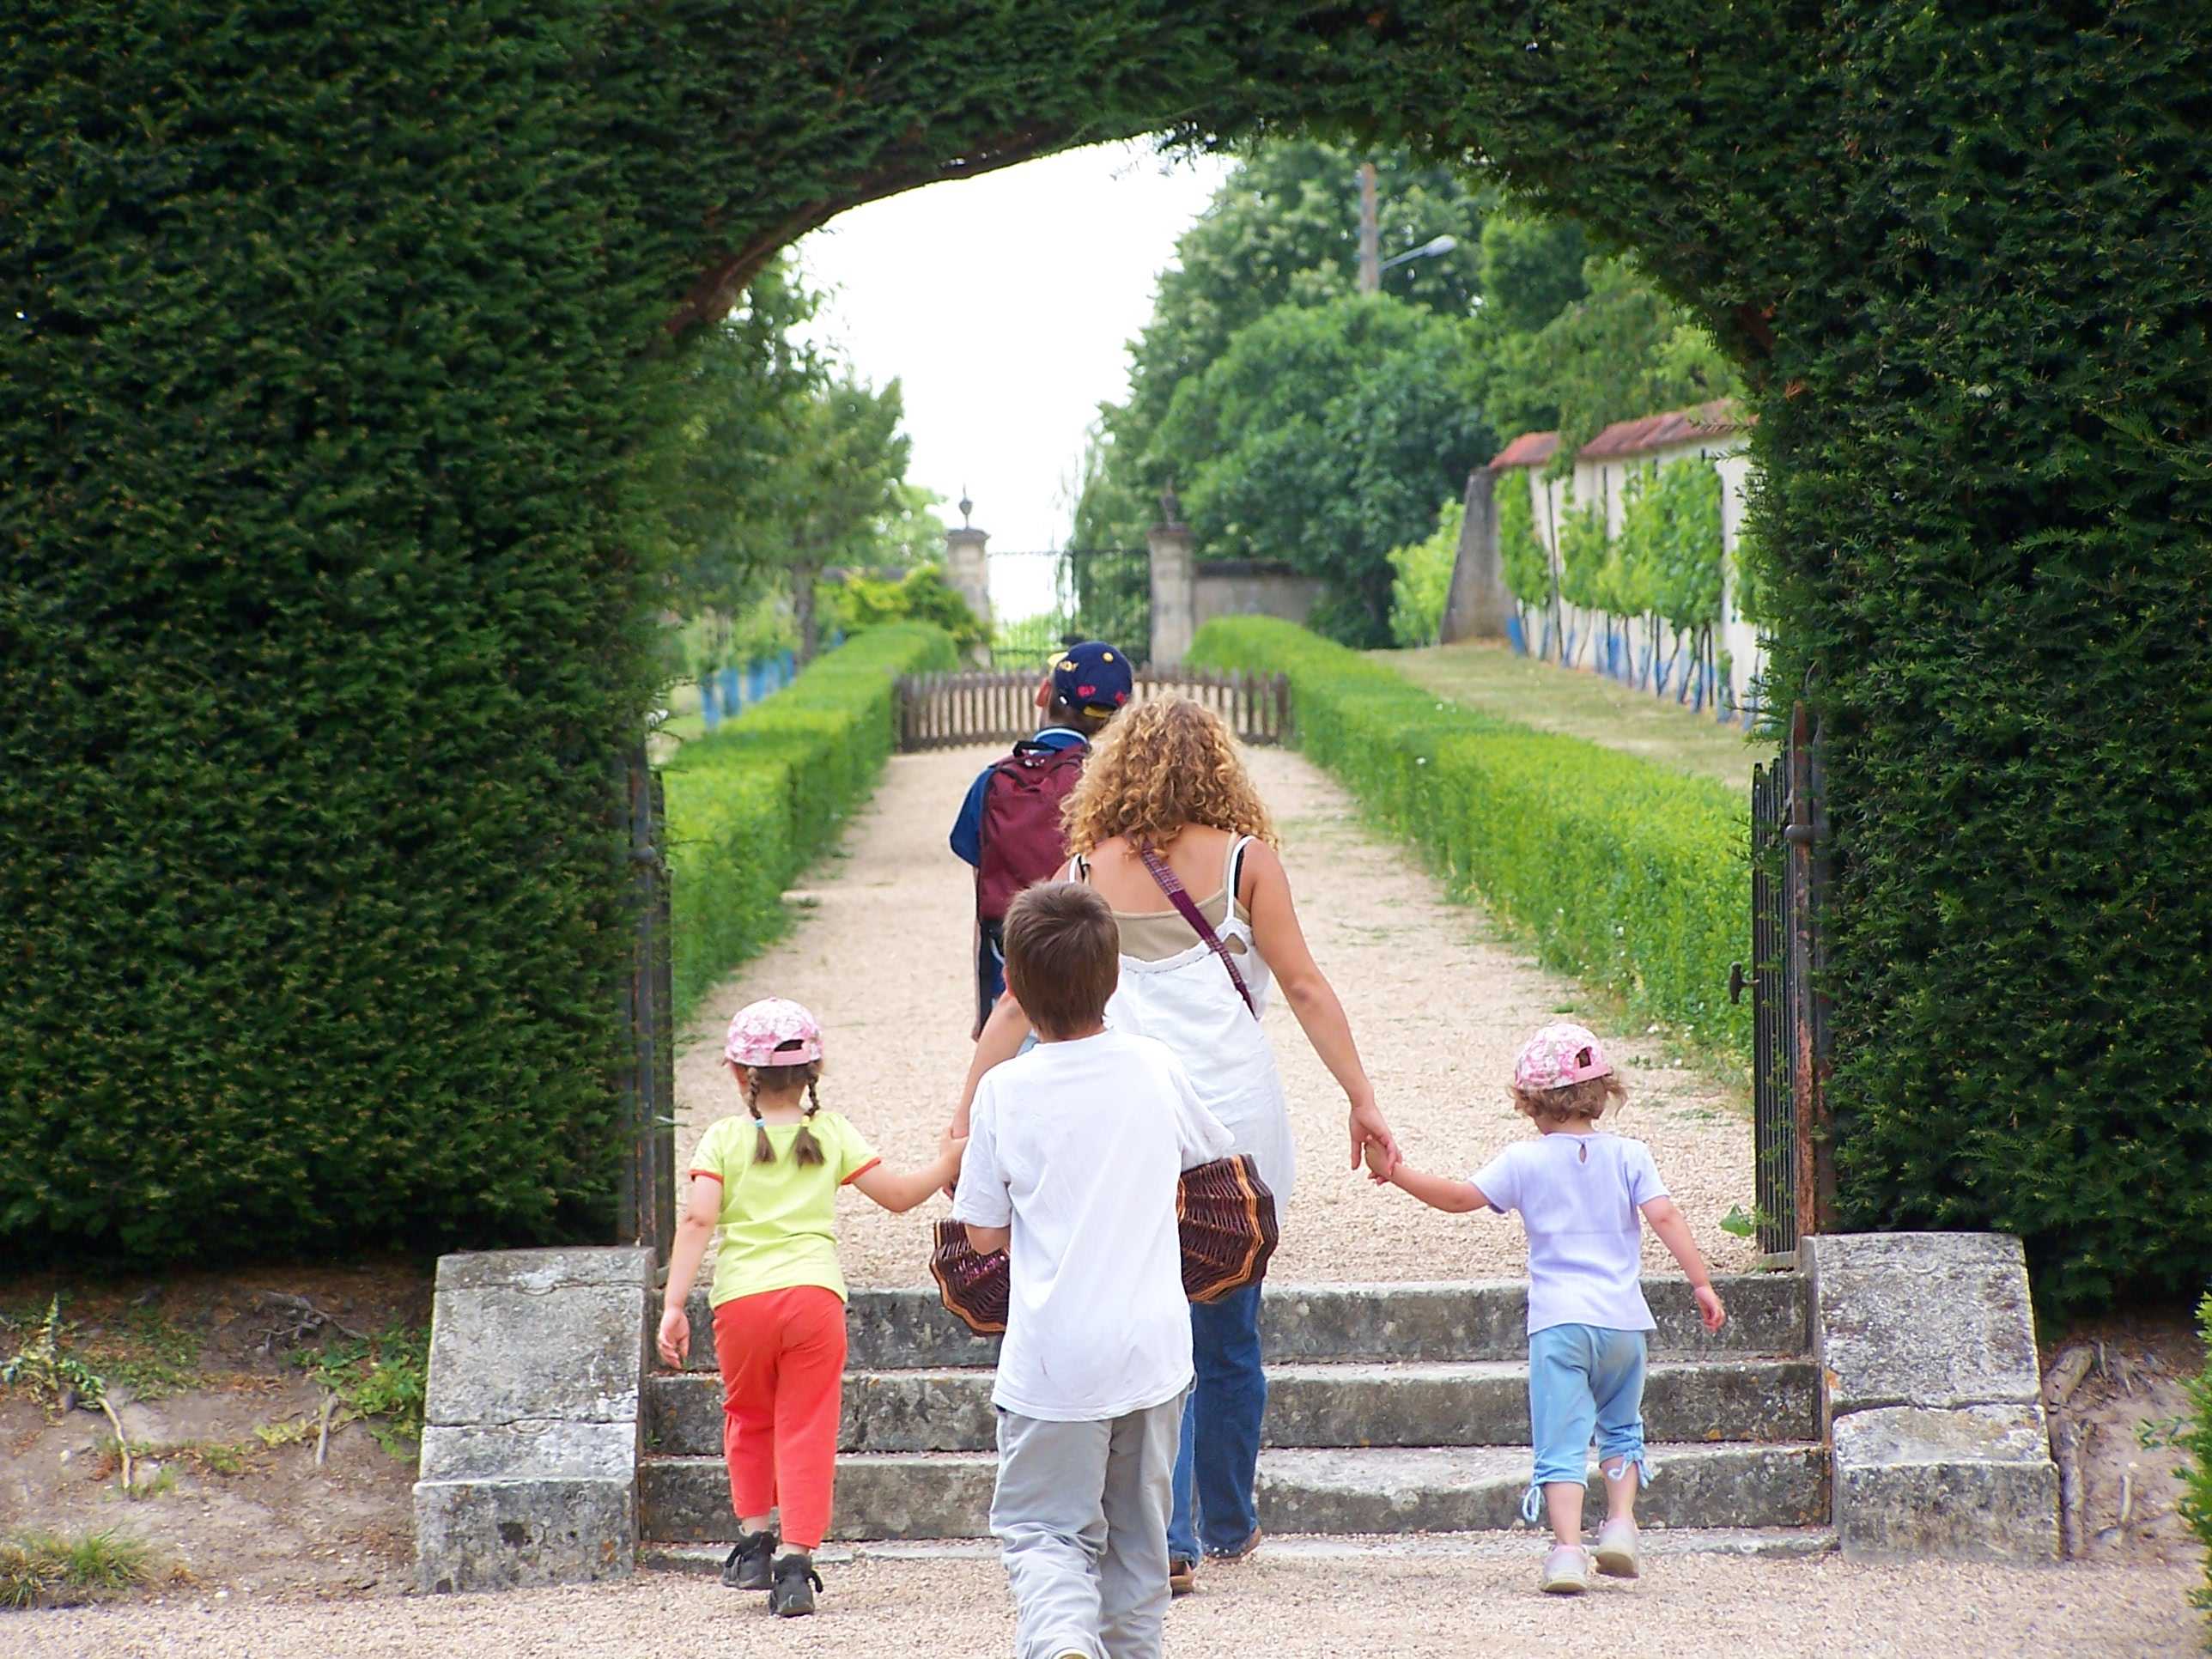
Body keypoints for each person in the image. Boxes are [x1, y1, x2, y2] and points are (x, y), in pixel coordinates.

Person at [951, 695, 1399, 1596]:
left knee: (1150, 1309)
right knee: (1228, 1325)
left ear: (1114, 769)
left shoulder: (1082, 866)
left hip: (1121, 1119)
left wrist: (963, 1116)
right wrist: (1362, 1099)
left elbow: (1012, 1005)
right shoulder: (1246, 864)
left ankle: (1171, 1529)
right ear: (1218, 767)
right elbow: (1305, 988)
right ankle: (1222, 1519)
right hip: (1231, 1117)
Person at [953, 880, 1234, 1659]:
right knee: (1139, 1543)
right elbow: (1216, 1167)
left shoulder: (1004, 1092)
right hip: (1152, 1350)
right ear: (1113, 978)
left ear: (1012, 986)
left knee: (1043, 1528)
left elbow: (980, 1235)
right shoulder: (1154, 1067)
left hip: (1052, 1358)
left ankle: (1061, 1639)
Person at [1364, 1021, 1727, 1595]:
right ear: (1601, 1092)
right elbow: (1665, 1216)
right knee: (1621, 1428)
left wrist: (1396, 1173)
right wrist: (1701, 1283)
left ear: (1532, 1102)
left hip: (1559, 1324)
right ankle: (1622, 1525)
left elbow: (1459, 1199)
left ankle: (1565, 1552)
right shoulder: (1631, 1155)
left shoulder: (1523, 1161)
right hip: (1623, 1322)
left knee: (1561, 1439)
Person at [656, 996, 965, 1617]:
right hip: (814, 1299)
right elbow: (900, 1197)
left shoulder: (722, 1138)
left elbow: (697, 1218)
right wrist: (949, 1163)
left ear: (739, 1074)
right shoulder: (830, 1133)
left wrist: (674, 1304)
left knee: (747, 1416)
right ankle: (795, 1565)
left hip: (742, 1302)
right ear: (813, 1074)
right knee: (807, 1426)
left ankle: (752, 1542)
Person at [950, 640, 1133, 1036]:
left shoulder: (992, 780)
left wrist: (986, 1008)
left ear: (1044, 694)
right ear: (1111, 719)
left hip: (1011, 967)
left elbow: (983, 890)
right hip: (1090, 964)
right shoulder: (1111, 789)